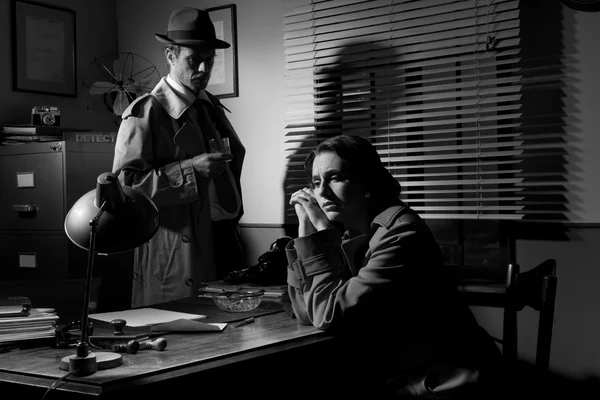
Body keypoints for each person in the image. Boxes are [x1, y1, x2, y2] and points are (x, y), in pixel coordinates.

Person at [286, 135, 504, 399]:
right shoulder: (350, 235)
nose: (321, 193)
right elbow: (306, 312)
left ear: (366, 181)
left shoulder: (401, 233)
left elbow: (329, 315)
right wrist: (305, 230)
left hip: (440, 379)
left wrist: (320, 234)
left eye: (335, 178)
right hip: (397, 372)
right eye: (316, 182)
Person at [112, 7, 245, 308]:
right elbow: (125, 188)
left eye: (208, 61)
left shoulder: (211, 107)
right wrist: (190, 170)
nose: (202, 70)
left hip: (222, 243)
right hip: (175, 247)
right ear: (170, 56)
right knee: (180, 339)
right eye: (193, 61)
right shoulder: (146, 111)